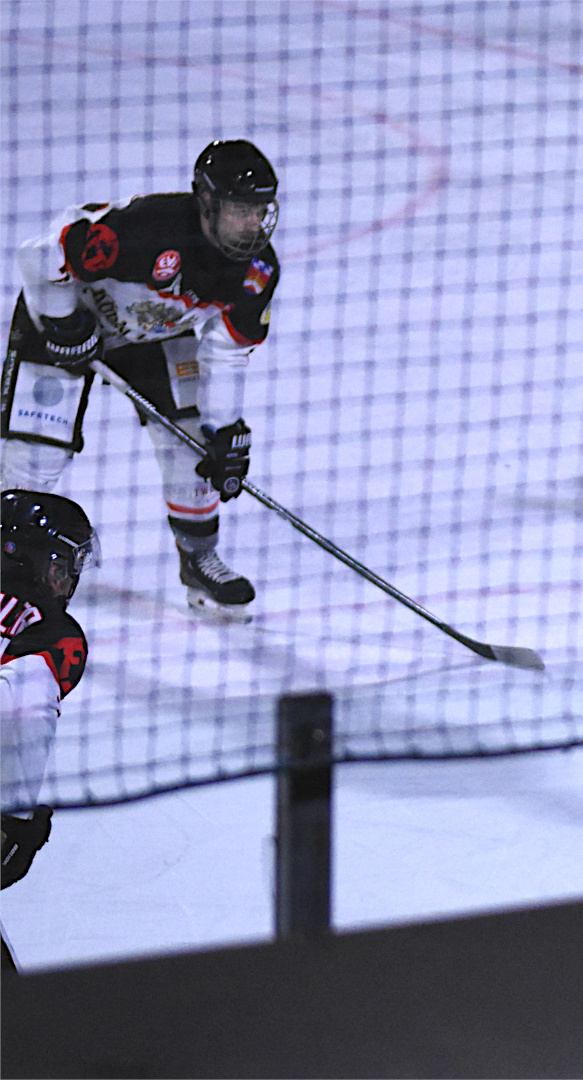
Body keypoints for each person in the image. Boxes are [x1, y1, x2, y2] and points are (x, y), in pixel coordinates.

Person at [5, 140, 276, 620]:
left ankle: (197, 560)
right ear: (207, 204)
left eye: (260, 212)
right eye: (241, 211)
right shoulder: (144, 231)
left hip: (151, 336)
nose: (253, 226)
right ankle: (10, 571)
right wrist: (65, 325)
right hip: (66, 319)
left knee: (195, 442)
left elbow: (228, 354)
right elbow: (39, 259)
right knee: (35, 459)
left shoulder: (256, 272)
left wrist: (225, 429)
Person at [2, 490, 95, 972]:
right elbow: (23, 712)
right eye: (63, 562)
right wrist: (15, 824)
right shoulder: (57, 641)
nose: (71, 577)